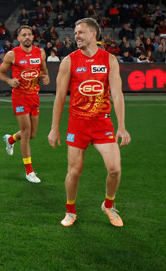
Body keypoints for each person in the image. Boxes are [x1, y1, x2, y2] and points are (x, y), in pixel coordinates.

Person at [48, 18, 131, 227]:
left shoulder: (109, 60)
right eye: (75, 33)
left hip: (102, 124)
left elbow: (117, 94)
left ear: (94, 34)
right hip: (77, 125)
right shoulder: (68, 61)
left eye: (81, 32)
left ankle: (108, 205)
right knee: (74, 172)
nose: (76, 36)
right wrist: (54, 128)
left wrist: (121, 126)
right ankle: (70, 210)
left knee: (115, 169)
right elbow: (59, 97)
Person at [0, 25, 50, 183]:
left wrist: (45, 77)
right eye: (24, 35)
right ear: (18, 38)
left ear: (33, 37)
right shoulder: (12, 55)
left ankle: (11, 139)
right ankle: (29, 171)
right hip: (20, 97)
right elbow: (0, 73)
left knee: (32, 134)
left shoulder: (40, 52)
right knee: (26, 132)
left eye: (29, 34)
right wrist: (9, 80)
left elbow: (43, 71)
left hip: (34, 96)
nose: (27, 37)